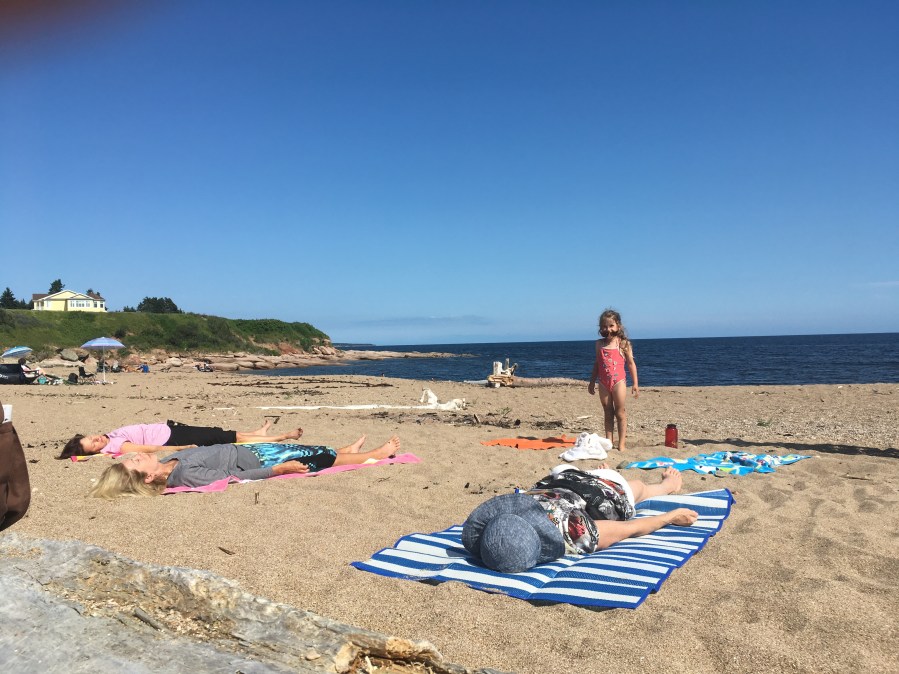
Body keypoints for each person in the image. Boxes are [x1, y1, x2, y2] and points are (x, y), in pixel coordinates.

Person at [462, 464, 697, 573]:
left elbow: (631, 528)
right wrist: (670, 516)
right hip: (580, 485)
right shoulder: (572, 531)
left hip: (585, 486)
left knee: (631, 486)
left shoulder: (573, 531)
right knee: (635, 487)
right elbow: (631, 528)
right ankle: (664, 485)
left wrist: (670, 516)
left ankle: (661, 484)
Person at [89, 435, 402, 498]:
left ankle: (345, 449)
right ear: (147, 478)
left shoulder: (171, 462)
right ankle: (374, 454)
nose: (137, 455)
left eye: (133, 456)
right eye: (135, 461)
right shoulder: (185, 475)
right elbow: (232, 477)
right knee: (322, 461)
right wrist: (278, 471)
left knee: (309, 448)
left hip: (249, 449)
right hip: (257, 461)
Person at [58, 419, 305, 459]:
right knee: (222, 437)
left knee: (221, 434)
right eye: (93, 444)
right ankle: (282, 436)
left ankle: (258, 434)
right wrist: (182, 447)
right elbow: (148, 447)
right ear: (94, 452)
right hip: (173, 437)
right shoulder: (114, 445)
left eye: (91, 437)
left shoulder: (109, 438)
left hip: (170, 430)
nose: (96, 439)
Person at [587, 308, 639, 451]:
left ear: (618, 326)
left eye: (611, 326)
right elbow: (597, 364)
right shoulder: (599, 344)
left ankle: (621, 444)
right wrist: (592, 381)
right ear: (600, 328)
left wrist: (635, 383)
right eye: (604, 326)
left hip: (619, 382)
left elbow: (631, 364)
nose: (608, 329)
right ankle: (609, 442)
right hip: (603, 383)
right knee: (608, 412)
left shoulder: (623, 343)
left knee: (620, 412)